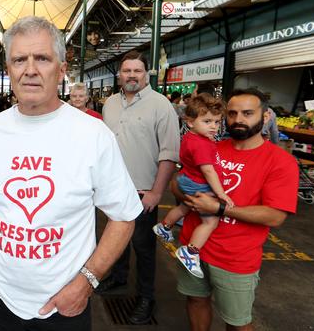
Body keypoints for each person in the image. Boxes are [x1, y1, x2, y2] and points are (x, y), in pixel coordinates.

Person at [0, 16, 142, 331]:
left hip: (66, 303)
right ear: (9, 69)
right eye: (19, 60)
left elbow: (124, 217)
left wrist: (86, 282)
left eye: (41, 58)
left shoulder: (92, 134)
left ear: (61, 68)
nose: (30, 69)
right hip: (0, 294)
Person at [174, 88, 298, 331]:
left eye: (247, 113)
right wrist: (185, 194)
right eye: (232, 113)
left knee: (238, 322)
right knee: (196, 300)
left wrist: (218, 208)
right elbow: (176, 183)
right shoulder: (211, 147)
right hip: (193, 248)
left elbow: (275, 215)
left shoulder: (280, 161)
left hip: (235, 257)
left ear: (265, 118)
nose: (238, 119)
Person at [99, 50, 180, 324]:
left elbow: (168, 153)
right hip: (113, 190)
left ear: (146, 74)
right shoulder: (109, 103)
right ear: (119, 74)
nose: (131, 75)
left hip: (143, 191)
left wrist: (157, 192)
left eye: (137, 71)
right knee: (115, 239)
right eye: (126, 71)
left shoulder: (161, 105)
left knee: (143, 247)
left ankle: (146, 297)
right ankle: (118, 277)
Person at [152, 94, 233, 278]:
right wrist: (221, 194)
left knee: (184, 206)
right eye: (207, 121)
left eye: (216, 122)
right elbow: (209, 172)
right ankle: (190, 251)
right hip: (198, 183)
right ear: (189, 122)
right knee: (210, 221)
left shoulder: (191, 137)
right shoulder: (201, 145)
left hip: (186, 178)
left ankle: (164, 226)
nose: (213, 126)